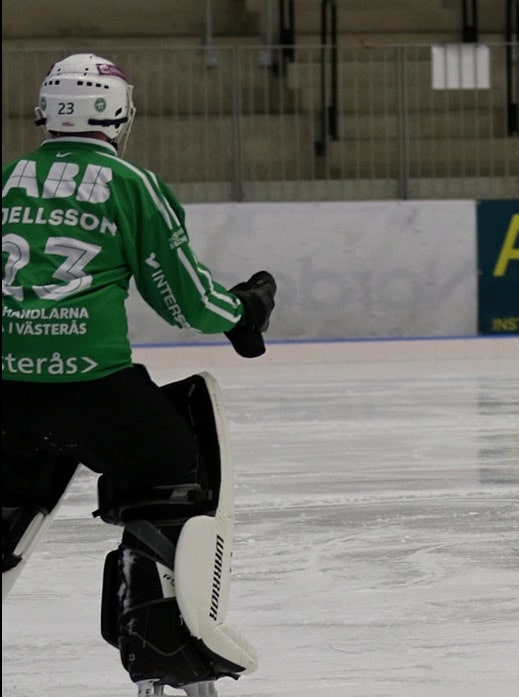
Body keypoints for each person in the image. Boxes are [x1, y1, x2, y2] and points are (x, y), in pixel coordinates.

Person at [2, 53, 275, 696]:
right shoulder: (131, 182)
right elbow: (183, 301)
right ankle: (163, 649)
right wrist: (244, 313)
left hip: (8, 395)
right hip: (96, 391)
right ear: (119, 112)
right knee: (175, 473)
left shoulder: (8, 179)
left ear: (47, 111)